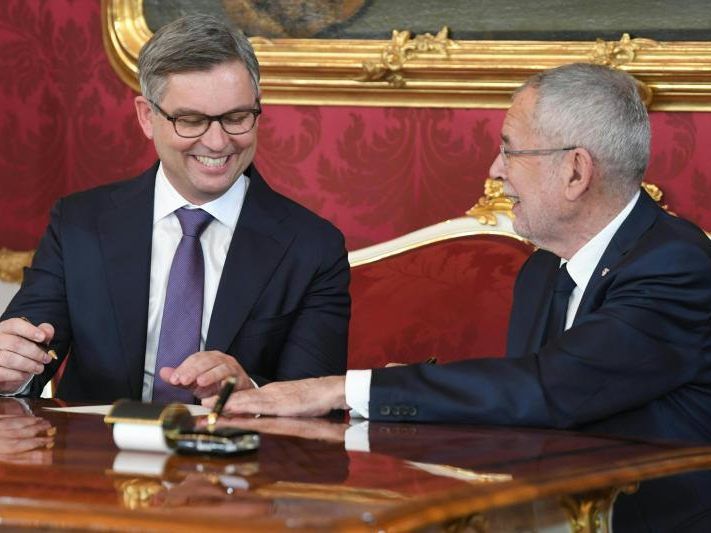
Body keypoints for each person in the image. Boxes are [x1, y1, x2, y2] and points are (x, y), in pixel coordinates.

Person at [212, 63, 711, 446]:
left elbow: (549, 390)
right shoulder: (541, 271)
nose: (495, 171)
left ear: (576, 172)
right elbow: (519, 410)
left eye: (510, 151)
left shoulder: (676, 266)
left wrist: (340, 389)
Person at [0, 14, 350, 403]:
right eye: (191, 120)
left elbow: (320, 403)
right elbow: (25, 354)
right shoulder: (79, 224)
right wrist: (9, 369)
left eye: (236, 118)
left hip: (239, 458)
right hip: (97, 455)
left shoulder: (312, 247)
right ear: (147, 118)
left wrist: (247, 389)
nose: (217, 142)